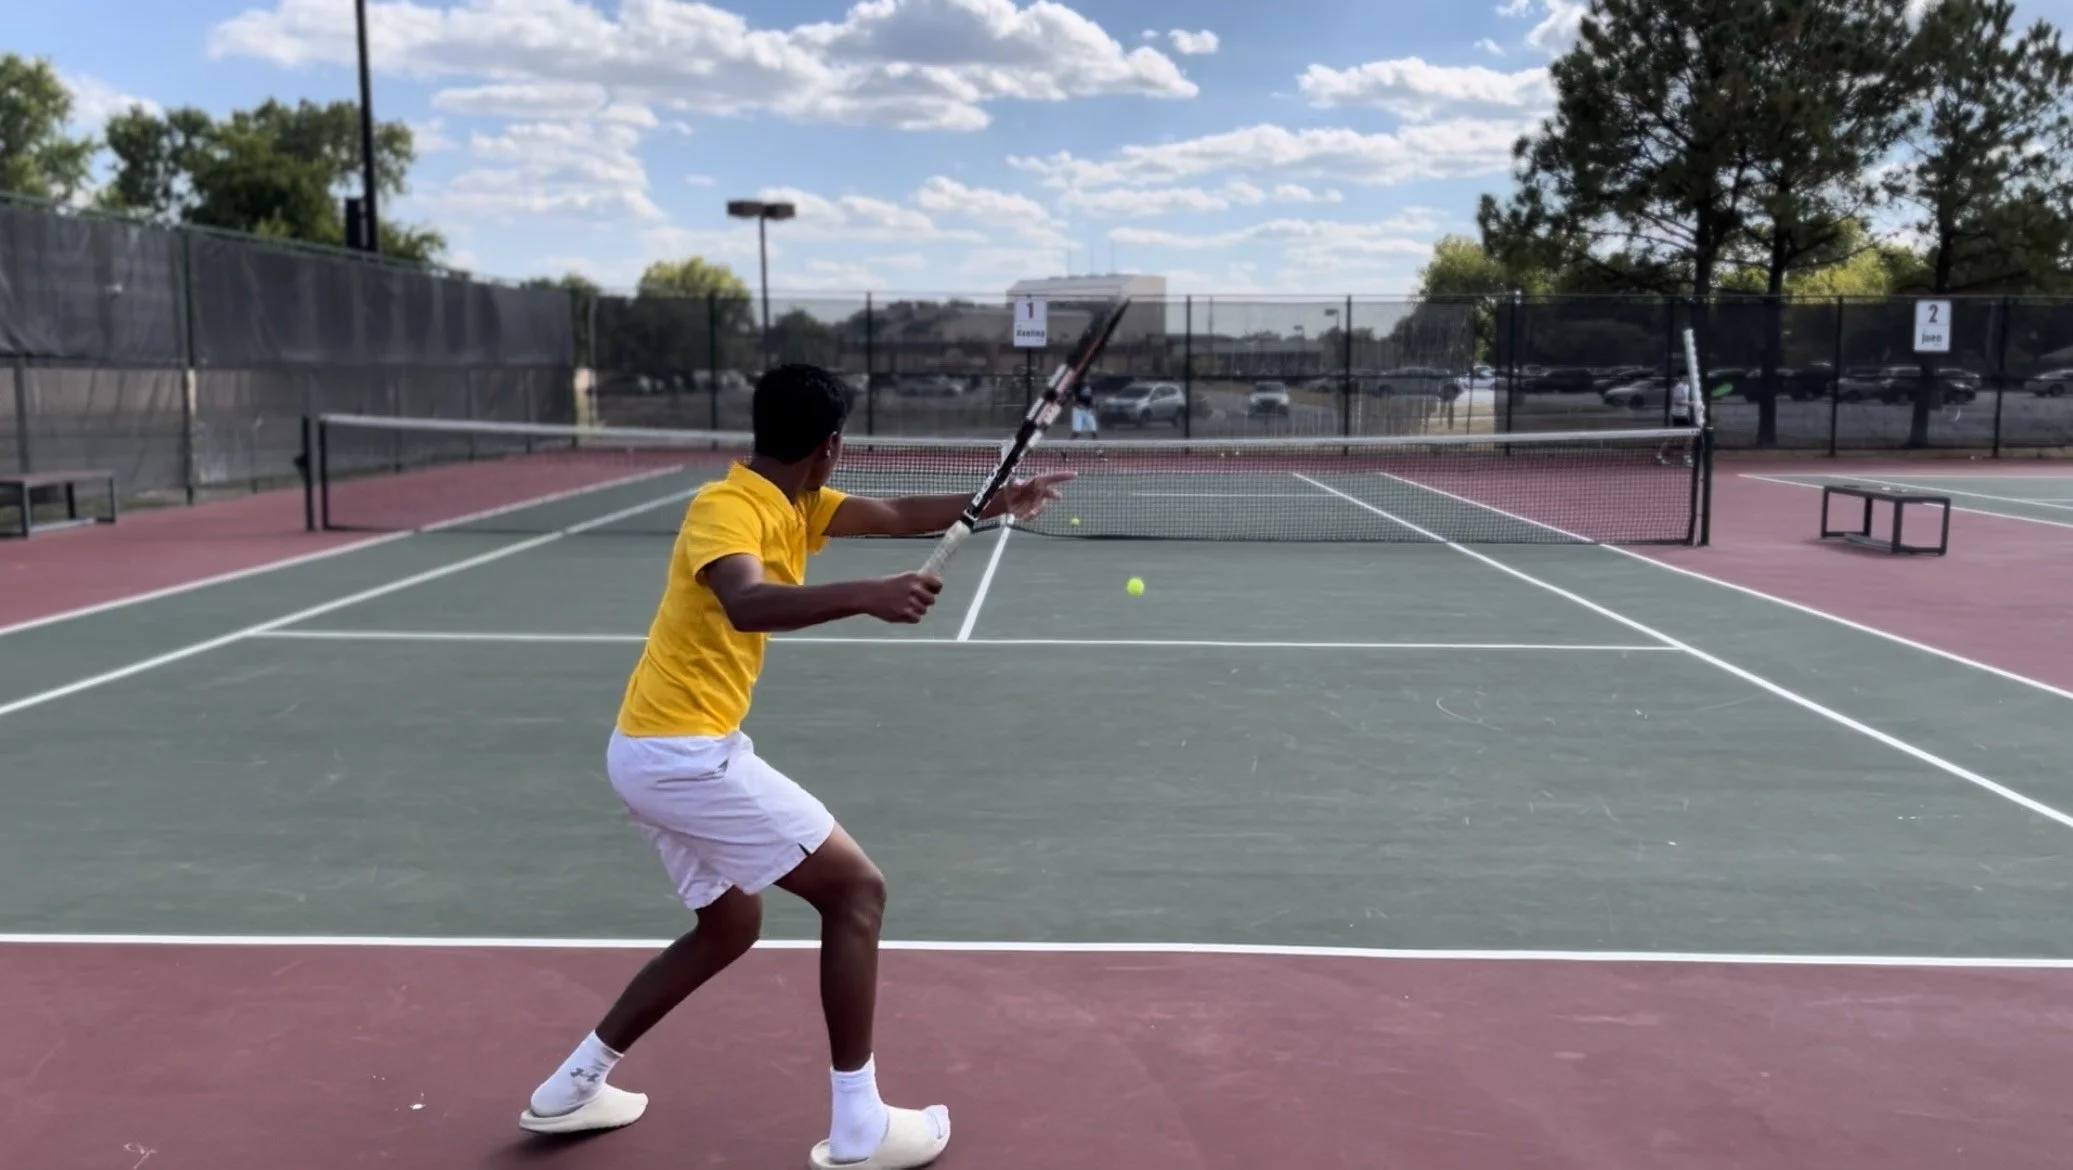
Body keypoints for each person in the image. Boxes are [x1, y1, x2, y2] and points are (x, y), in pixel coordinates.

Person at [518, 364, 1072, 1168]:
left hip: (657, 748)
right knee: (856, 892)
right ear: (830, 445)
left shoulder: (793, 502)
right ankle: (859, 1126)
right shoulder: (725, 510)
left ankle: (570, 1087)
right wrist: (867, 596)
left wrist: (995, 501)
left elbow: (889, 515)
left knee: (729, 925)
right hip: (681, 754)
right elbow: (746, 600)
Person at [1659, 373, 1696, 467]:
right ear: (1682, 378)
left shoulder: (1687, 386)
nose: (1688, 378)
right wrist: (1690, 404)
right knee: (1689, 436)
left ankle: (1659, 456)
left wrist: (1690, 404)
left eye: (1689, 376)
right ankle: (1686, 458)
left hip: (1682, 415)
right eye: (1685, 377)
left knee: (1672, 438)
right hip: (1678, 416)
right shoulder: (1679, 387)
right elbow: (1675, 401)